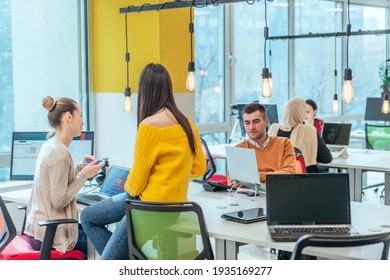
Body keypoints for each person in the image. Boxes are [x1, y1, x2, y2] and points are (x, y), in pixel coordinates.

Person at [80, 63, 206, 260]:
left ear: (145, 91)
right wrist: (171, 176)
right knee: (89, 216)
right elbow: (199, 167)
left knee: (87, 218)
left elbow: (135, 186)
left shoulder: (149, 126)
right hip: (176, 208)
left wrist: (131, 184)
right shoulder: (187, 122)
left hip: (146, 208)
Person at [25, 96, 104, 256]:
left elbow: (56, 183)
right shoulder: (60, 152)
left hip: (38, 230)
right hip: (49, 236)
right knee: (101, 240)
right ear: (69, 116)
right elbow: (59, 201)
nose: (82, 121)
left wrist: (77, 169)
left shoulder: (50, 145)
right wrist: (83, 176)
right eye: (80, 115)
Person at [229, 102, 297, 185]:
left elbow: (290, 173)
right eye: (247, 123)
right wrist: (273, 175)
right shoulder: (238, 149)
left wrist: (256, 177)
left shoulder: (284, 143)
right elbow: (233, 183)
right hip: (250, 196)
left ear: (266, 122)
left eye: (256, 121)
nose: (251, 127)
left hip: (279, 192)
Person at [269, 97, 332, 173]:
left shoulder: (273, 129)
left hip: (277, 178)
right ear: (301, 113)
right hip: (304, 179)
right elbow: (326, 158)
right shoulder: (308, 130)